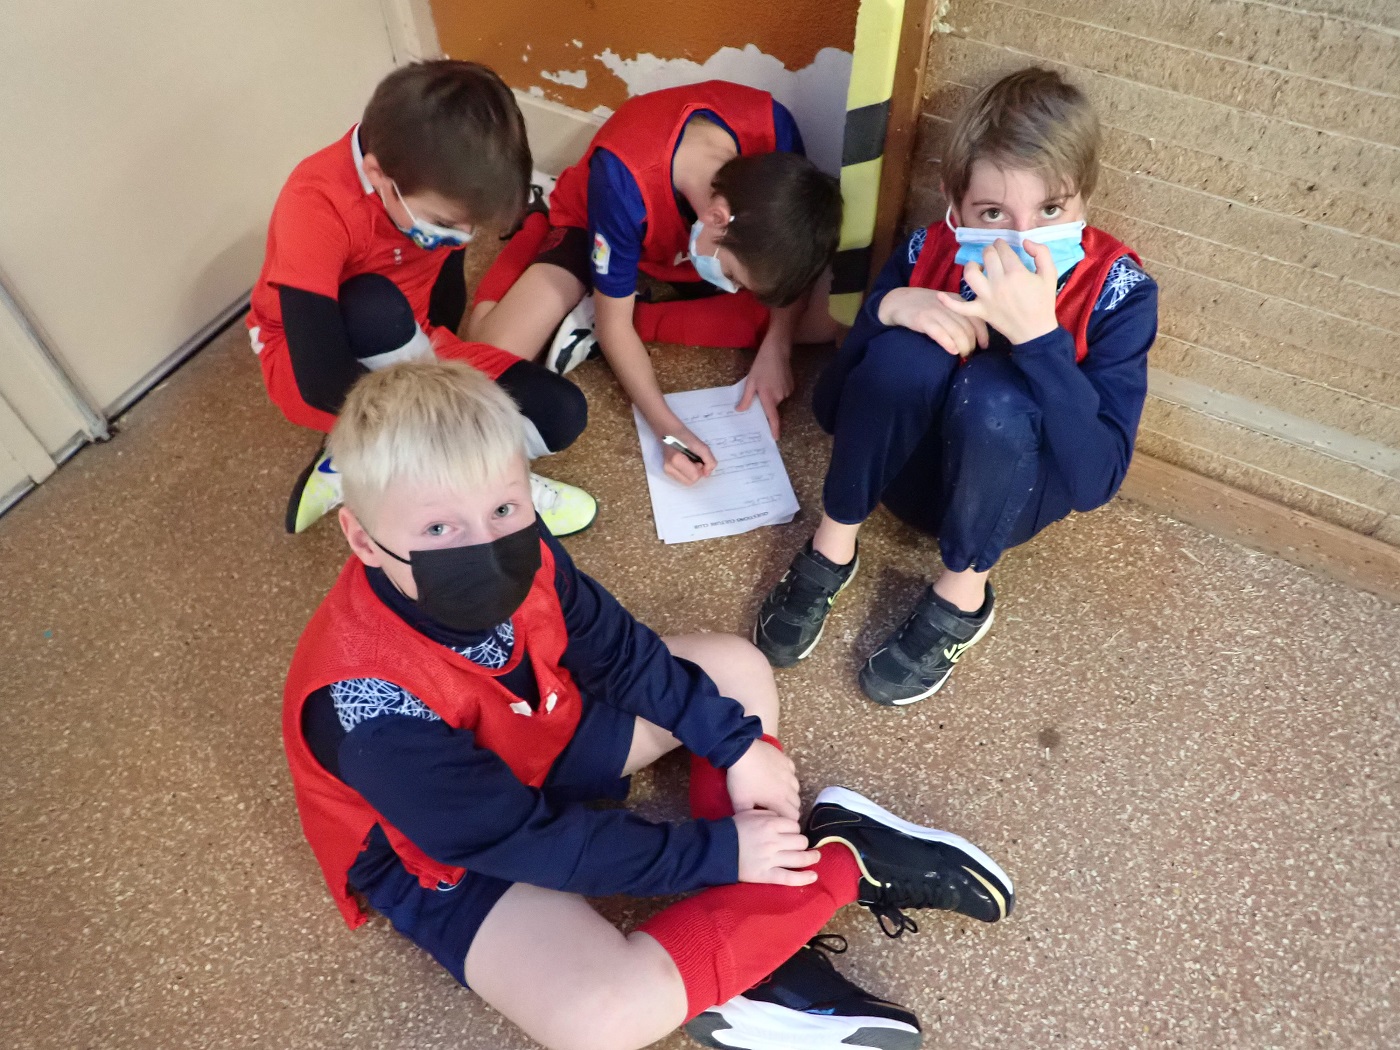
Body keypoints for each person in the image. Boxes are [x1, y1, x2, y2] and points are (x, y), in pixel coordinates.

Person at [282, 359, 1016, 1050]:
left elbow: (616, 650)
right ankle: (841, 864)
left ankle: (751, 944)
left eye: (504, 506)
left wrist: (736, 747)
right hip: (446, 849)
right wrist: (719, 851)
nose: (489, 543)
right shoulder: (366, 710)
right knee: (601, 1019)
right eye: (439, 529)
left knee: (735, 672)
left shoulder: (524, 543)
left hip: (536, 730)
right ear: (363, 541)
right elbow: (526, 843)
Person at [754, 67, 1159, 705]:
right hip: (901, 484)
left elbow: (1095, 481)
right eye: (993, 213)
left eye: (1050, 210)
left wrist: (1041, 343)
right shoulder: (927, 250)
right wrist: (887, 310)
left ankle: (962, 598)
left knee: (999, 393)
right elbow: (831, 411)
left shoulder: (1119, 293)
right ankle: (832, 549)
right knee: (907, 356)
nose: (1021, 239)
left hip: (1007, 505)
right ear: (954, 202)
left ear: (1085, 199)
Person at [245, 59, 597, 536]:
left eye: (470, 226)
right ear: (378, 175)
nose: (462, 237)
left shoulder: (434, 185)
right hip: (308, 357)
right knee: (372, 304)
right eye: (446, 223)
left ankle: (364, 460)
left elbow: (442, 305)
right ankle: (461, 477)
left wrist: (450, 384)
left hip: (410, 337)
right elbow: (320, 380)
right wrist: (446, 424)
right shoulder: (315, 203)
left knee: (562, 414)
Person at [467, 81, 842, 486]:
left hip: (683, 247)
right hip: (595, 228)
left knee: (830, 316)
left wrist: (777, 346)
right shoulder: (621, 181)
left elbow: (790, 258)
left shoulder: (774, 131)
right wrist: (669, 431)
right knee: (487, 358)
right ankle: (536, 224)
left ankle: (628, 316)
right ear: (717, 220)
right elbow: (615, 327)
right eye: (734, 277)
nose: (734, 290)